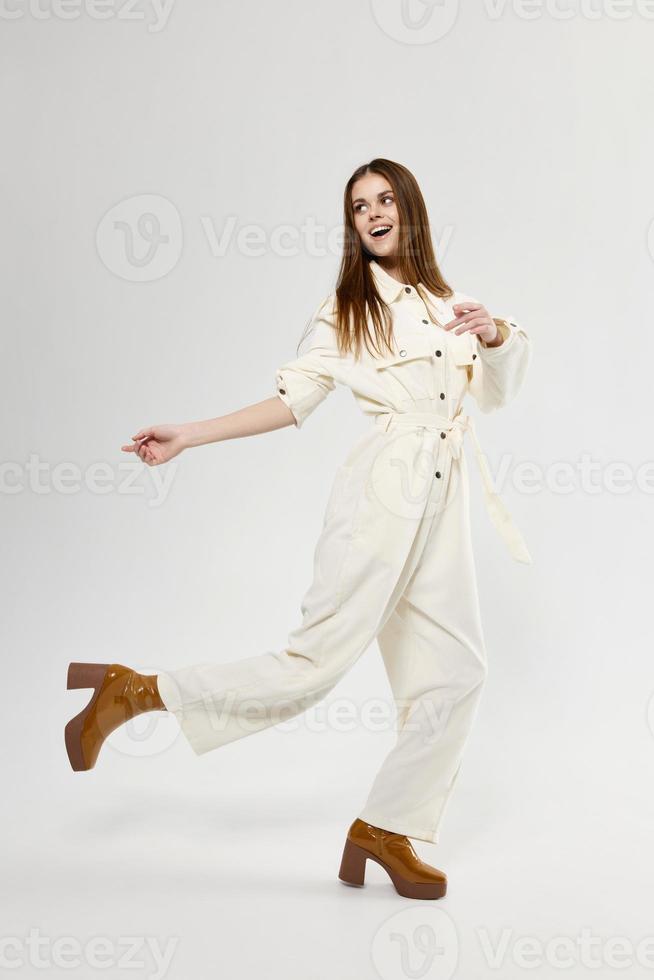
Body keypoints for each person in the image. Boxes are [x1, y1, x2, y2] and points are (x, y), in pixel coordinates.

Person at [64, 158, 532, 901]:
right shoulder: (347, 309)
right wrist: (190, 432)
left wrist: (498, 332)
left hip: (447, 494)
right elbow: (288, 404)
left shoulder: (454, 302)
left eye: (384, 199)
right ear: (350, 224)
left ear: (410, 207)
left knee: (459, 673)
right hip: (385, 492)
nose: (373, 213)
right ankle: (136, 692)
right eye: (357, 206)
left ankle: (385, 827)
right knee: (310, 668)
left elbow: (499, 394)